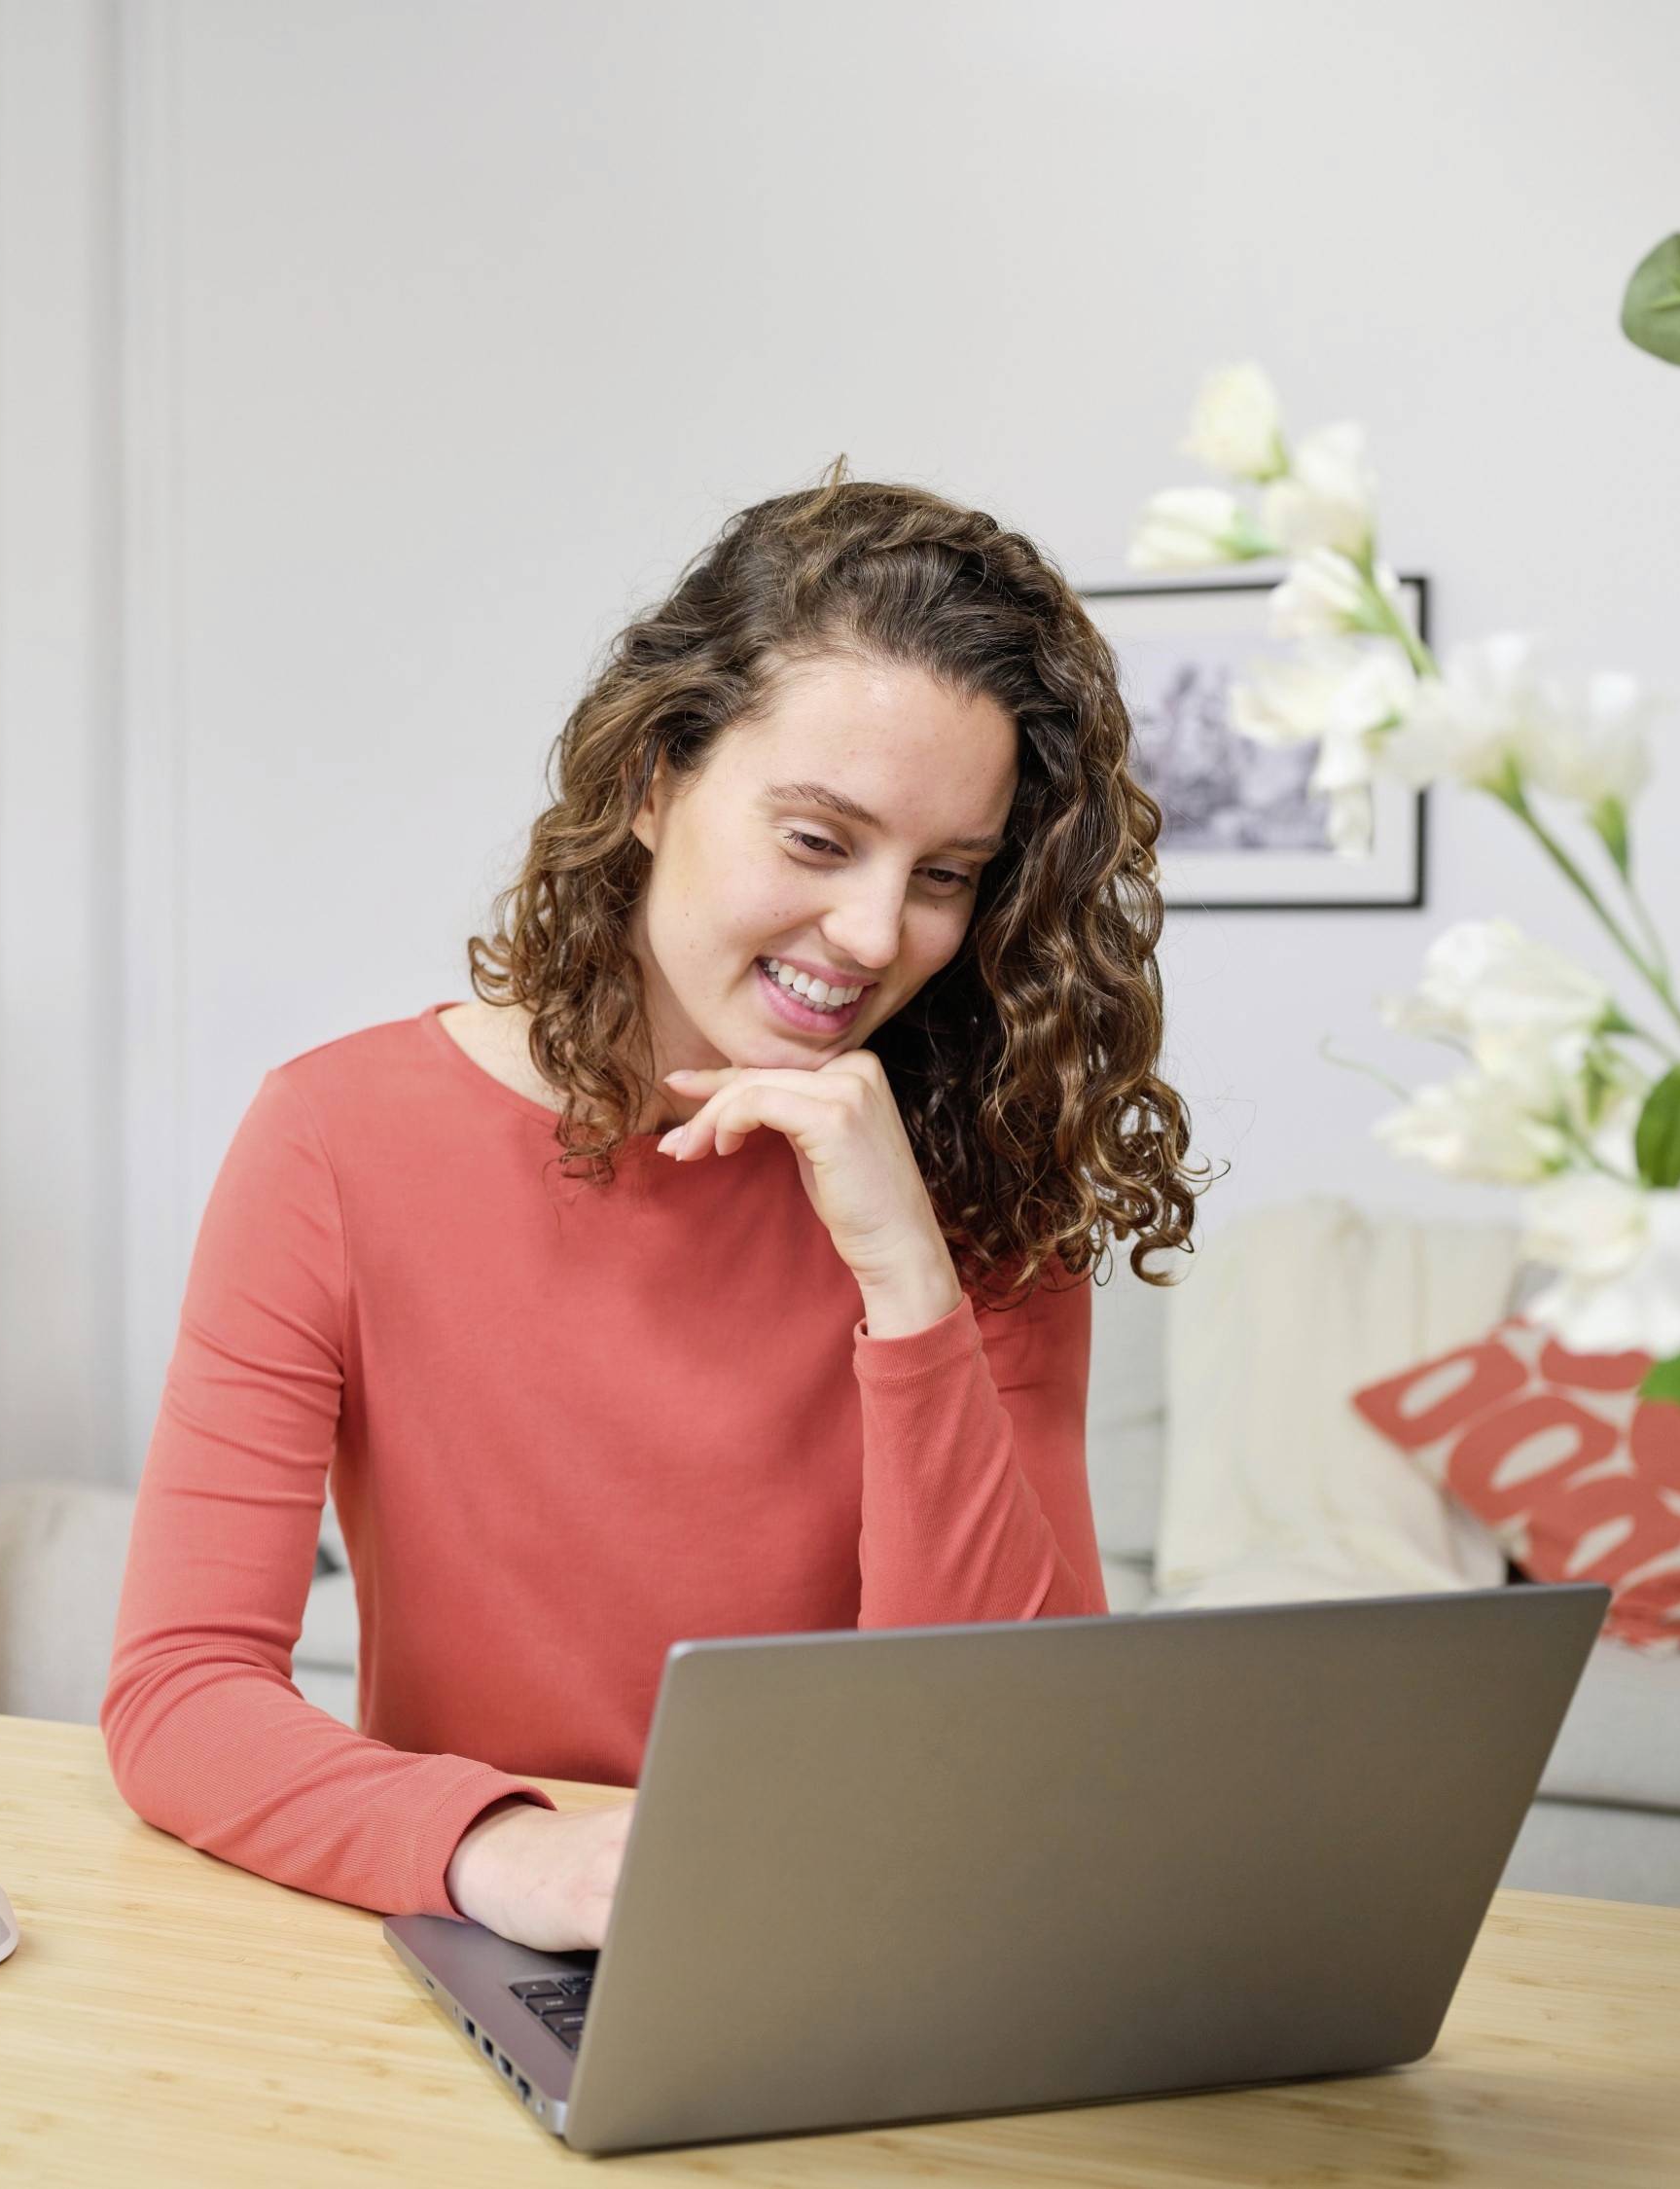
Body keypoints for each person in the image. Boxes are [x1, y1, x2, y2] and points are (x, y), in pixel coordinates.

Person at [100, 463, 1204, 1954]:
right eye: (818, 840)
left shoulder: (979, 1176)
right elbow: (181, 1689)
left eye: (944, 875)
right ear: (649, 782)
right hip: (497, 1934)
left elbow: (1017, 1754)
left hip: (895, 1945)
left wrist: (906, 1274)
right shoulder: (334, 1141)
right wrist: (507, 1852)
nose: (879, 934)